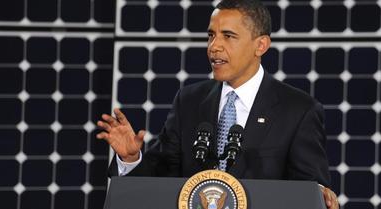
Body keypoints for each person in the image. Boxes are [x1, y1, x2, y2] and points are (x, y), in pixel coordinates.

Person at [97, 0, 339, 208]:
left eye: (228, 36)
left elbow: (310, 194)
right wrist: (131, 159)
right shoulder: (189, 101)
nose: (214, 47)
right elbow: (160, 181)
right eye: (211, 35)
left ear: (261, 45)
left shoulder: (298, 110)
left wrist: (319, 191)